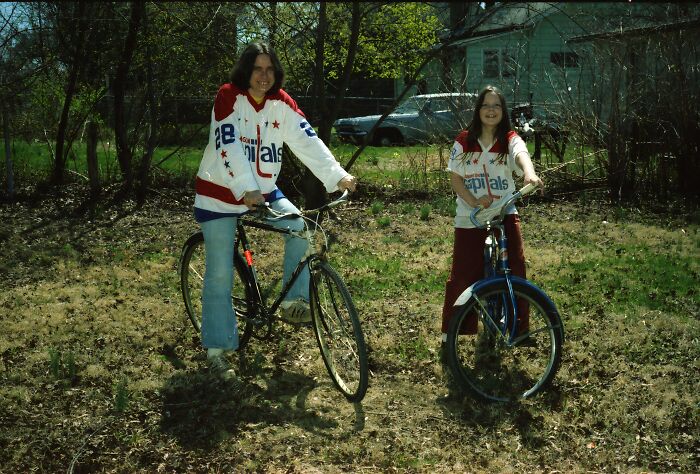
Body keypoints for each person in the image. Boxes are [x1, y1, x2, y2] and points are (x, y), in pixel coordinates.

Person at [193, 41, 357, 378]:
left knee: (298, 226)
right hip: (219, 193)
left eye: (269, 69)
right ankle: (217, 347)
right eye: (257, 69)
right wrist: (245, 187)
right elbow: (227, 142)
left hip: (264, 191)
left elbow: (307, 141)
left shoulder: (282, 104)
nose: (264, 76)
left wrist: (337, 175)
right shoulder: (229, 97)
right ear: (246, 71)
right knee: (221, 271)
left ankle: (292, 303)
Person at [440, 85, 543, 362]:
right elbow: (455, 179)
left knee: (517, 265)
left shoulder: (509, 138)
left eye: (496, 106)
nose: (491, 110)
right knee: (464, 272)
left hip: (503, 208)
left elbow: (521, 154)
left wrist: (529, 174)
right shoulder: (464, 140)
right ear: (478, 109)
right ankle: (454, 332)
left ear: (503, 111)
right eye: (486, 105)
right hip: (470, 214)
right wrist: (474, 201)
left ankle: (519, 329)